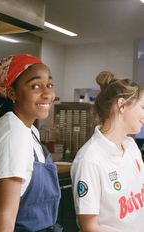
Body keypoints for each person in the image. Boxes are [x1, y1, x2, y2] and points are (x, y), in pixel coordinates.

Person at [0, 54, 62, 232]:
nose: (47, 93)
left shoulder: (29, 130)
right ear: (12, 93)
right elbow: (5, 217)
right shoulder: (14, 134)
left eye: (49, 85)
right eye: (35, 86)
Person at [71, 71, 144, 232]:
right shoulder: (89, 159)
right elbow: (89, 227)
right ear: (122, 105)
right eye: (142, 107)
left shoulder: (131, 147)